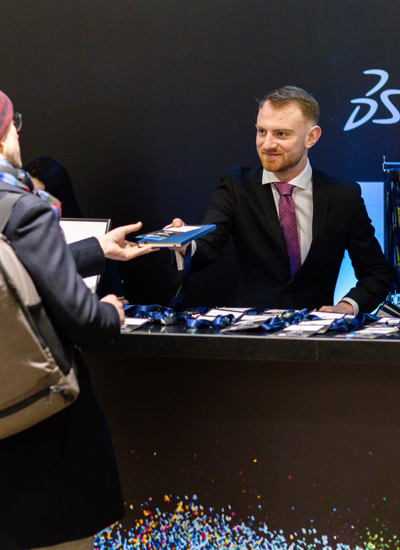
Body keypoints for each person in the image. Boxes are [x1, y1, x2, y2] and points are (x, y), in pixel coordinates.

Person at [0, 90, 157, 550]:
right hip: (37, 433)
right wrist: (112, 307)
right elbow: (86, 322)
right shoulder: (23, 207)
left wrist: (96, 250)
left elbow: (13, 274)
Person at [169, 86, 393, 314]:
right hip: (251, 337)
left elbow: (377, 273)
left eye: (281, 134)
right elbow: (208, 248)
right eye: (261, 131)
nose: (267, 144)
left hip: (318, 340)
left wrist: (346, 307)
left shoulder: (344, 196)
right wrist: (186, 243)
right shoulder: (236, 184)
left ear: (311, 137)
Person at [24, 156, 125, 298]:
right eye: (30, 196)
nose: (34, 205)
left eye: (43, 198)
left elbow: (116, 296)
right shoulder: (17, 237)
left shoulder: (91, 238)